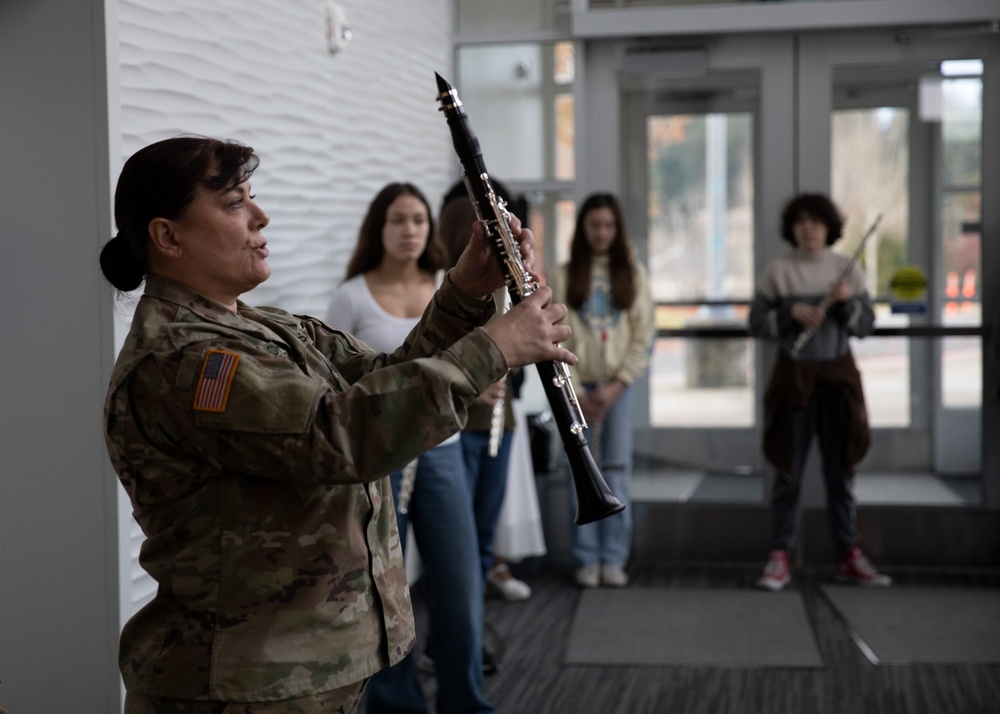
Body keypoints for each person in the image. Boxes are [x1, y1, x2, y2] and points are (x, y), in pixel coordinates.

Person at [99, 136, 576, 714]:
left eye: (254, 197)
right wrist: (492, 349)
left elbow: (384, 377)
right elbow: (338, 435)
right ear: (168, 236)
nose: (260, 215)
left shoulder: (264, 326)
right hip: (238, 686)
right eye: (233, 204)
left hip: (298, 670)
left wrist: (467, 292)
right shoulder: (182, 359)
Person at [323, 182, 493, 712]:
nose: (410, 230)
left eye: (419, 219)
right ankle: (397, 708)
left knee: (460, 587)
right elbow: (334, 387)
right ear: (380, 228)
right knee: (385, 594)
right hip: (380, 461)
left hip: (442, 452)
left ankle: (466, 701)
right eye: (398, 220)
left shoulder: (452, 288)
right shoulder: (352, 295)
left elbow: (479, 366)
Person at [749, 192, 891, 592]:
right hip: (793, 381)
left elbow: (866, 326)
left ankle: (848, 554)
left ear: (830, 227)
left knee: (840, 470)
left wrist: (845, 306)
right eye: (801, 221)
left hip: (837, 382)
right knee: (788, 471)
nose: (808, 228)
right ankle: (779, 555)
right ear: (791, 228)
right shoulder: (779, 272)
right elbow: (756, 323)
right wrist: (787, 314)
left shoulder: (847, 269)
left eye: (816, 221)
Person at [550, 192, 654, 589]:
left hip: (618, 390)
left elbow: (642, 336)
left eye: (609, 225)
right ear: (583, 229)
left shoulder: (633, 272)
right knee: (581, 471)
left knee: (616, 472)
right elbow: (553, 335)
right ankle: (586, 557)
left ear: (618, 229)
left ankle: (613, 557)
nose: (601, 232)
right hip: (574, 387)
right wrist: (576, 388)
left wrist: (616, 386)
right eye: (594, 225)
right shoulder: (563, 274)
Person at [437, 181, 534, 604]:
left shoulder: (504, 284)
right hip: (456, 423)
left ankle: (473, 628)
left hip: (500, 420)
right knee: (458, 541)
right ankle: (460, 629)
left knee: (482, 532)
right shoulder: (446, 289)